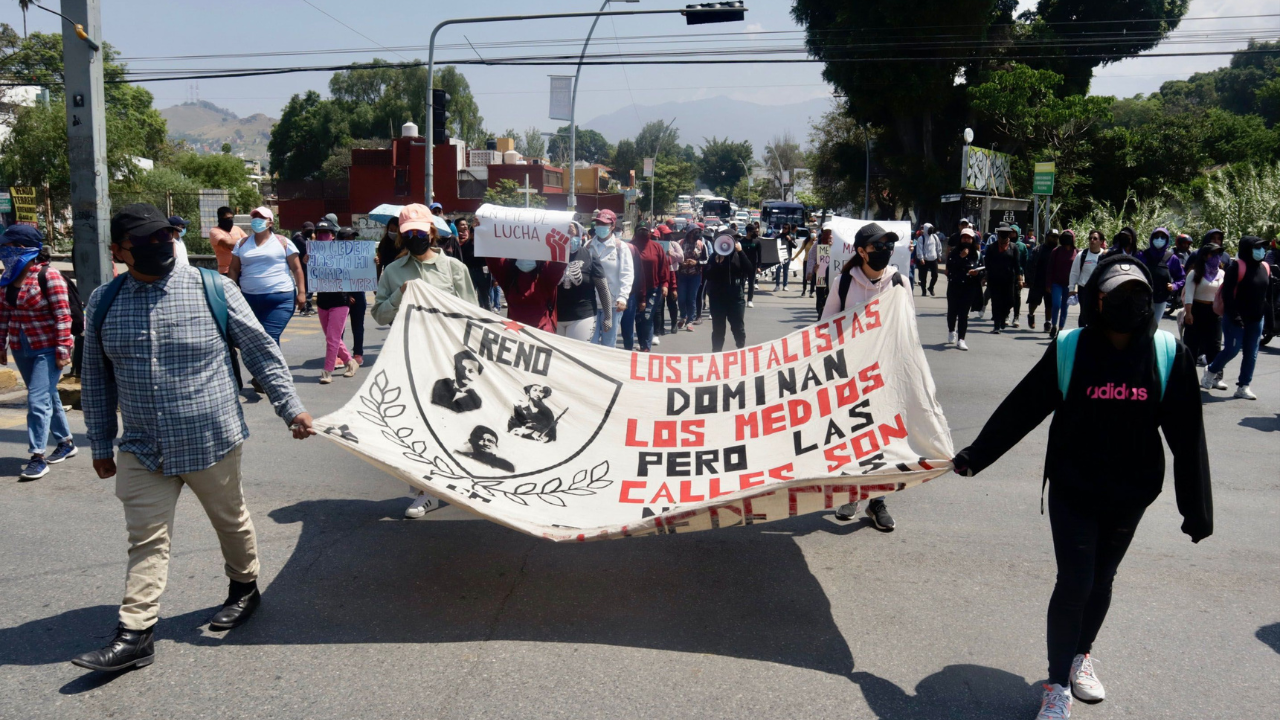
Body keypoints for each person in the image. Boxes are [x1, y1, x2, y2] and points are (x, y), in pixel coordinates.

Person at [952, 255, 1211, 720]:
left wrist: (1196, 509)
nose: (1128, 304)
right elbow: (1023, 407)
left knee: (1102, 580)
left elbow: (1188, 435)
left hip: (1131, 493)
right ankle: (1056, 685)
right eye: (1118, 295)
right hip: (1074, 488)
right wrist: (977, 455)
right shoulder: (1071, 347)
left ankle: (1080, 656)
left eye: (1137, 296)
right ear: (1097, 298)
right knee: (1075, 581)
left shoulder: (1168, 354)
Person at [74, 203, 316, 673]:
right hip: (142, 445)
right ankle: (136, 632)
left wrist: (292, 408)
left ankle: (244, 588)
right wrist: (101, 444)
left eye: (164, 238)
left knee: (230, 521)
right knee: (146, 537)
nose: (159, 247)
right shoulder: (104, 301)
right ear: (118, 251)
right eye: (145, 242)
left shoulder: (213, 288)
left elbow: (261, 352)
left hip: (211, 438)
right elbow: (97, 379)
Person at [372, 204, 477, 519]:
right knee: (413, 424)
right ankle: (423, 490)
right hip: (408, 358)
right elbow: (378, 315)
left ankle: (451, 481)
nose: (416, 237)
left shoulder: (454, 269)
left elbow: (473, 315)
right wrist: (398, 295)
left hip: (446, 359)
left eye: (421, 231)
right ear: (402, 238)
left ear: (432, 232)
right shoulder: (393, 271)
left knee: (447, 422)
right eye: (410, 234)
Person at [820, 222, 910, 531]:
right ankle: (852, 493)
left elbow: (907, 330)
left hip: (885, 377)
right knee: (854, 437)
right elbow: (825, 330)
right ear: (861, 251)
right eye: (878, 247)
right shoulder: (844, 283)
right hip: (850, 377)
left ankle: (877, 502)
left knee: (882, 440)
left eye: (888, 246)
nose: (885, 251)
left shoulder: (899, 282)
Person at [0, 225, 76, 480]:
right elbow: (4, 314)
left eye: (8, 247)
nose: (4, 251)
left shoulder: (48, 276)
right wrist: (2, 345)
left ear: (23, 248)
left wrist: (64, 348)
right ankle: (65, 441)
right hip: (21, 347)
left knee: (37, 400)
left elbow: (63, 315)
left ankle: (37, 456)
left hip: (48, 347)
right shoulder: (8, 277)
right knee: (47, 395)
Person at [228, 206, 306, 351]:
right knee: (257, 339)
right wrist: (230, 292)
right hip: (249, 300)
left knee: (269, 336)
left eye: (261, 218)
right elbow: (233, 269)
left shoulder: (283, 242)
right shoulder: (242, 243)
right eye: (255, 217)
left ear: (270, 222)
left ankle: (268, 373)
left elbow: (296, 268)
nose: (257, 220)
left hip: (280, 299)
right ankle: (270, 372)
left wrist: (302, 292)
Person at [1202, 236, 1270, 400]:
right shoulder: (1236, 267)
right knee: (1232, 349)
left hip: (1256, 319)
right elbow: (1227, 294)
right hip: (1236, 317)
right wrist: (1235, 316)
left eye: (1263, 247)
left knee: (1251, 353)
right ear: (1247, 249)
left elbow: (1266, 295)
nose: (1261, 251)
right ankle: (1211, 370)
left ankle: (1243, 386)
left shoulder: (1266, 267)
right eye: (1257, 247)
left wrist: (1268, 317)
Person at [310, 220, 359, 385]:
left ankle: (327, 371)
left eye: (327, 233)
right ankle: (350, 362)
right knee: (333, 338)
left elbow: (357, 268)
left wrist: (372, 262)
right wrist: (306, 261)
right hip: (322, 300)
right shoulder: (313, 253)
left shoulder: (342, 252)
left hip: (340, 300)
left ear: (333, 236)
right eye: (320, 233)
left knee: (332, 338)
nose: (323, 236)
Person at [556, 225, 612, 342]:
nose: (570, 238)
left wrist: (608, 316)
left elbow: (602, 288)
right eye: (566, 234)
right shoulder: (551, 256)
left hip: (582, 316)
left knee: (574, 355)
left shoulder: (589, 256)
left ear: (580, 235)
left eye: (574, 235)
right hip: (555, 316)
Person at [587, 209, 633, 348]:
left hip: (612, 305)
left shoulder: (620, 247)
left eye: (604, 224)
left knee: (608, 345)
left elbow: (627, 274)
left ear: (612, 226)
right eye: (598, 223)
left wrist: (623, 297)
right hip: (591, 304)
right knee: (590, 344)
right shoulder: (587, 246)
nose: (600, 226)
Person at [487, 256, 566, 333]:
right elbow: (491, 256)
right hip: (516, 337)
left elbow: (559, 261)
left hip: (542, 335)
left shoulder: (546, 274)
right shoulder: (508, 275)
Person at [703, 235, 752, 352]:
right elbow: (707, 275)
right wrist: (716, 263)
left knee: (738, 327)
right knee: (718, 329)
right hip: (717, 298)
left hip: (735, 298)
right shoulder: (714, 257)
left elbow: (750, 270)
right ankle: (716, 353)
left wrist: (740, 252)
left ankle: (740, 348)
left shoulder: (738, 255)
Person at [625, 226, 669, 352]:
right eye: (640, 230)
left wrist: (665, 284)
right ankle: (641, 342)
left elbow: (664, 266)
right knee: (638, 318)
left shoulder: (656, 247)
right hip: (634, 290)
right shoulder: (628, 247)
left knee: (647, 317)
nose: (643, 233)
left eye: (646, 230)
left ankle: (646, 347)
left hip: (653, 289)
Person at [1181, 244, 1225, 368]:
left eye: (1218, 254)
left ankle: (1215, 376)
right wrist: (1188, 313)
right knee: (1192, 345)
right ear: (1205, 256)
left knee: (1215, 345)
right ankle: (1188, 375)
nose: (1216, 257)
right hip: (1197, 310)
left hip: (1214, 312)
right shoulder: (1195, 273)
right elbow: (1189, 294)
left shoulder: (1221, 274)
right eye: (1213, 253)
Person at [945, 228, 981, 351]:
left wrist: (977, 273)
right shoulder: (954, 253)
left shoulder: (976, 254)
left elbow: (982, 269)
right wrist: (961, 257)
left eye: (969, 238)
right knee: (952, 312)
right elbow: (949, 269)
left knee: (963, 314)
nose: (966, 240)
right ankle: (951, 330)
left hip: (969, 287)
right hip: (954, 286)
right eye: (964, 237)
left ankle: (961, 339)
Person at [335, 227, 367, 365]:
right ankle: (337, 355)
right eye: (347, 238)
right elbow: (331, 278)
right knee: (338, 327)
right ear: (340, 240)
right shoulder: (333, 257)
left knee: (358, 325)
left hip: (358, 293)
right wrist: (345, 294)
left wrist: (374, 262)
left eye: (352, 238)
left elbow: (367, 273)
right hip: (339, 295)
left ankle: (358, 354)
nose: (351, 241)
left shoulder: (360, 254)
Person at [1136, 228, 1177, 335]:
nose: (1159, 239)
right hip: (1143, 296)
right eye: (1156, 237)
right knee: (1139, 325)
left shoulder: (1172, 258)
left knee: (1154, 327)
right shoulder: (1142, 255)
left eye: (1162, 237)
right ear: (1151, 238)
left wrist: (1174, 286)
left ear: (1167, 240)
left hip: (1160, 298)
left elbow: (1181, 277)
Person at [984, 224, 1023, 334]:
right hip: (994, 279)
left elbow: (1017, 264)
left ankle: (1003, 317)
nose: (1003, 236)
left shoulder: (1013, 247)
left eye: (1006, 234)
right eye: (1001, 234)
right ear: (998, 234)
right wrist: (985, 277)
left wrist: (1019, 279)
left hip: (1009, 279)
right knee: (996, 302)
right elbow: (987, 264)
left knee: (1010, 301)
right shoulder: (992, 247)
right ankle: (996, 325)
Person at [1068, 230, 1106, 326]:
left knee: (1098, 314)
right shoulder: (1082, 255)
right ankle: (1082, 335)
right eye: (1090, 238)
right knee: (1084, 313)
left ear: (1101, 241)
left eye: (1095, 238)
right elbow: (1074, 272)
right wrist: (1071, 288)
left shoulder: (1104, 256)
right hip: (1084, 289)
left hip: (1099, 290)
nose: (1092, 240)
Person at [1025, 229, 1060, 332]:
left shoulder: (1058, 251)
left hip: (1052, 282)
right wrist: (1028, 279)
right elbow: (1029, 265)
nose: (1054, 239)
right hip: (1038, 281)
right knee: (1034, 302)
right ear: (1047, 237)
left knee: (1049, 304)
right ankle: (1031, 315)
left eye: (1056, 237)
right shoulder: (1038, 250)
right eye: (1052, 236)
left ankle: (1048, 322)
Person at [455, 217, 491, 312]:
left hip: (482, 272)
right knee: (469, 293)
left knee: (484, 295)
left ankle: (488, 312)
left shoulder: (484, 245)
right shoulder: (466, 245)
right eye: (473, 233)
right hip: (470, 272)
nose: (475, 235)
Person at [1047, 230, 1078, 338]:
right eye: (1064, 237)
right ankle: (1054, 325)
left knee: (1065, 307)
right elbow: (1050, 268)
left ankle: (1060, 329)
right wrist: (1048, 284)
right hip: (1056, 283)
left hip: (1070, 285)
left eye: (1069, 237)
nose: (1067, 239)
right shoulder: (1056, 251)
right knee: (1056, 304)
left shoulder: (1077, 252)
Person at [676, 227, 706, 332]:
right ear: (689, 233)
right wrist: (681, 263)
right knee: (681, 298)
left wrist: (696, 263)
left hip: (695, 276)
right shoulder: (680, 243)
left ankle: (690, 321)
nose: (697, 234)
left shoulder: (701, 245)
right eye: (694, 232)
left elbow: (706, 260)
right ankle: (683, 316)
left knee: (691, 299)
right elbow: (674, 257)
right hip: (682, 275)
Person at [209, 206, 247, 276]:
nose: (230, 220)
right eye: (227, 218)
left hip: (242, 269)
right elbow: (228, 243)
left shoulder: (236, 228)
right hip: (226, 271)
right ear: (220, 219)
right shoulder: (214, 231)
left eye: (231, 218)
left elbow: (248, 243)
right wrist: (242, 241)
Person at [290, 221, 315, 316]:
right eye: (308, 230)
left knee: (310, 288)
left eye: (311, 230)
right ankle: (303, 309)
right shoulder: (299, 239)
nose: (310, 232)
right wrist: (313, 241)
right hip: (301, 267)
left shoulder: (305, 238)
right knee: (305, 288)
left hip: (307, 267)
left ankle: (308, 307)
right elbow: (310, 249)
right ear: (303, 230)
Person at [914, 222, 941, 297]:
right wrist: (921, 258)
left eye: (932, 229)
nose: (931, 231)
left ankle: (931, 287)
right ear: (926, 229)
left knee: (935, 275)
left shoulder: (935, 237)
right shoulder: (921, 238)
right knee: (923, 277)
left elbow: (938, 247)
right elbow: (919, 249)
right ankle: (924, 291)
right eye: (929, 229)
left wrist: (939, 256)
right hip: (924, 260)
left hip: (933, 259)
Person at [1010, 225, 1030, 328]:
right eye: (1011, 232)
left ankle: (1016, 316)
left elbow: (1025, 263)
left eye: (1014, 232)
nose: (1012, 234)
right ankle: (1005, 315)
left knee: (1017, 296)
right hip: (1006, 274)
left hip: (1018, 275)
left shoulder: (1022, 246)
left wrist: (1024, 277)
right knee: (1007, 295)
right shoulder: (1005, 244)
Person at [375, 217, 405, 282]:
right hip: (388, 279)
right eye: (391, 230)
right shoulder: (384, 242)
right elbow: (379, 264)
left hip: (402, 279)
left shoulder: (405, 244)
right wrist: (375, 283)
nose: (393, 232)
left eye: (395, 230)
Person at [740, 223, 762, 308]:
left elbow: (759, 255)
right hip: (742, 266)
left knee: (751, 284)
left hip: (753, 266)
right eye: (753, 231)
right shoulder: (741, 242)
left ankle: (749, 300)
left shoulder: (757, 242)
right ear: (749, 232)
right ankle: (741, 298)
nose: (756, 233)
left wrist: (759, 266)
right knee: (741, 283)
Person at [773, 224, 795, 292]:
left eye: (786, 228)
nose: (784, 229)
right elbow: (774, 245)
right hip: (779, 256)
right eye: (783, 228)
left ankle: (785, 285)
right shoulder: (778, 236)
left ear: (788, 229)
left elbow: (795, 246)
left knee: (785, 271)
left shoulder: (791, 237)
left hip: (787, 256)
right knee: (778, 270)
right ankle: (777, 285)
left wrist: (790, 240)